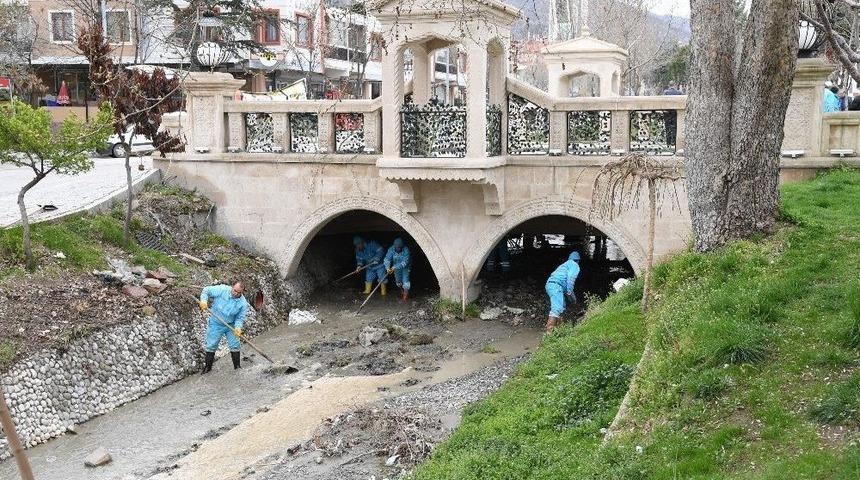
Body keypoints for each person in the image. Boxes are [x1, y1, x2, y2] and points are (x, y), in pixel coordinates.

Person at [199, 282, 250, 374]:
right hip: (216, 323)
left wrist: (238, 328)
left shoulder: (243, 303)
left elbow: (240, 318)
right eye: (235, 291)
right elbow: (206, 290)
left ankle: (237, 367)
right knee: (211, 345)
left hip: (231, 325)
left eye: (239, 293)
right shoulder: (222, 289)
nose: (236, 294)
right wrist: (203, 301)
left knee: (235, 345)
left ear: (242, 292)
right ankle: (207, 368)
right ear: (232, 287)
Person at [544, 251, 581, 333]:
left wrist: (571, 295)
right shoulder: (575, 265)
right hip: (556, 286)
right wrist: (572, 297)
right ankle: (548, 333)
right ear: (578, 260)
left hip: (550, 284)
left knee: (562, 306)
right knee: (556, 309)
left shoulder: (565, 265)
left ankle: (561, 329)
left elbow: (565, 285)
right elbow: (571, 280)